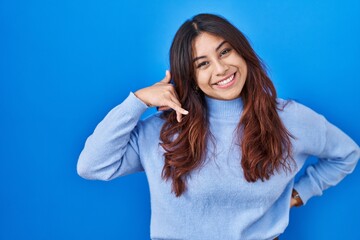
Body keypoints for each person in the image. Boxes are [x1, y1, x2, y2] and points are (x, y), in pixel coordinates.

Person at [77, 13, 360, 240]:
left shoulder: (290, 119)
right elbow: (92, 166)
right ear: (190, 76)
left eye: (225, 52)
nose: (221, 69)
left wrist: (300, 195)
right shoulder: (163, 131)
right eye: (202, 64)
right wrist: (136, 101)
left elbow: (347, 154)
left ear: (242, 51)